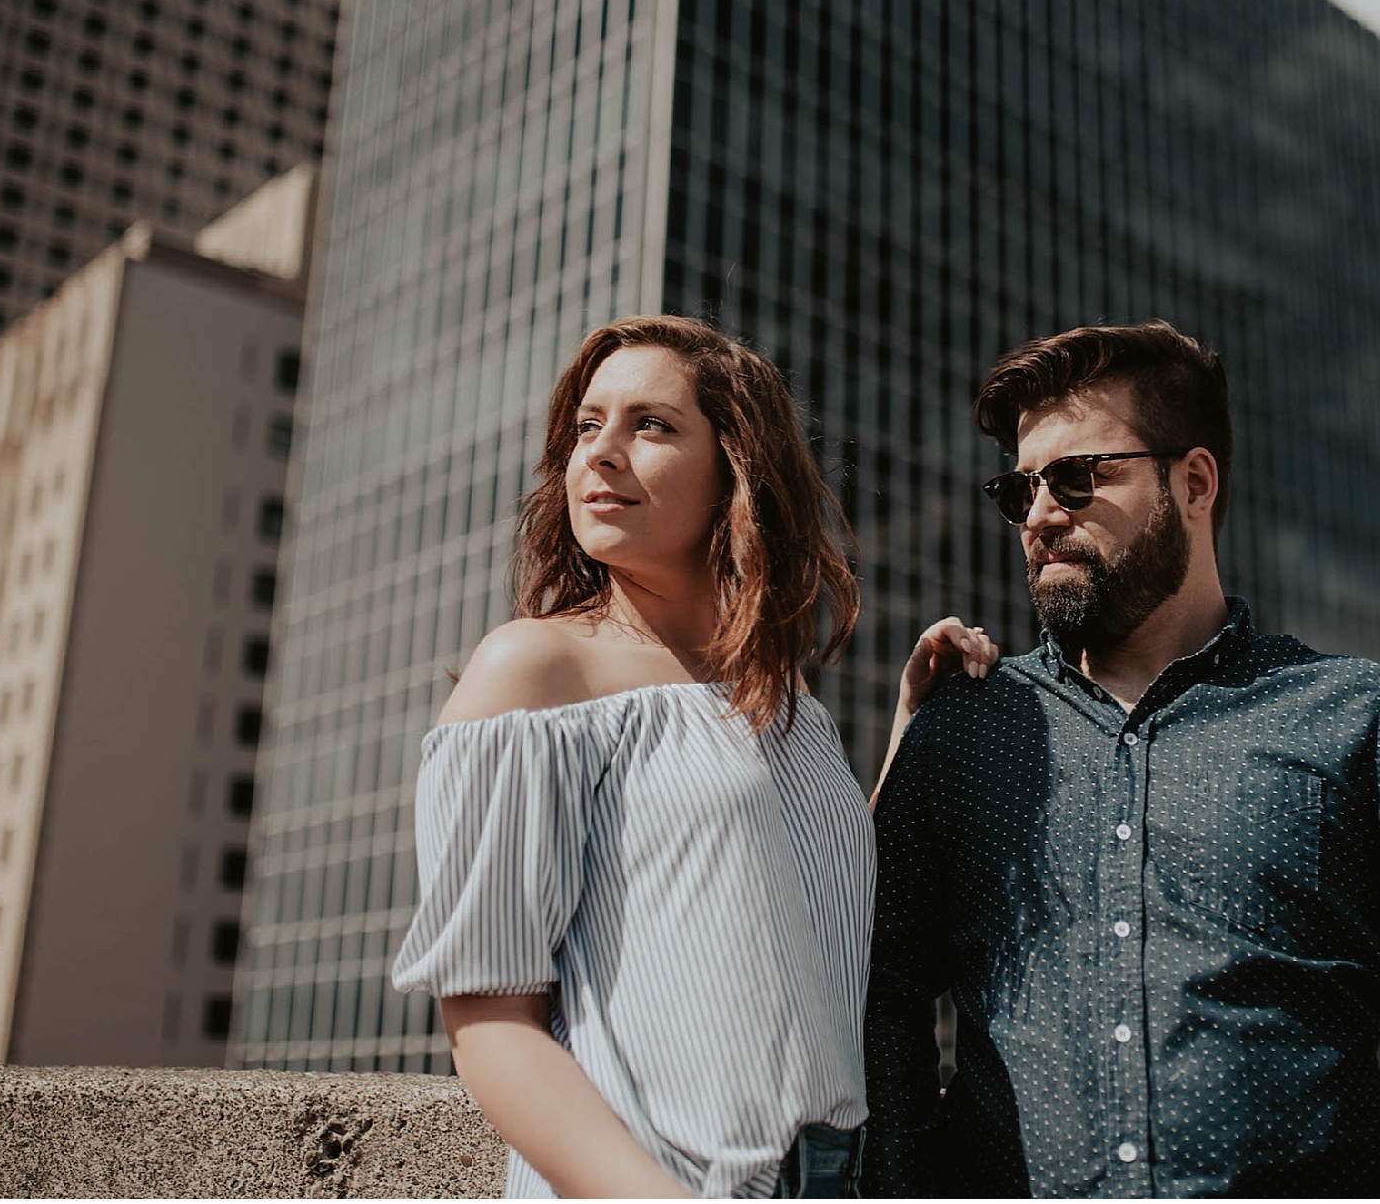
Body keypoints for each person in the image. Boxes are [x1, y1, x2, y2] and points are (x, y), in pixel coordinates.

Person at [863, 321, 1380, 1198]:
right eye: (1020, 489)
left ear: (1193, 482)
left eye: (1078, 478)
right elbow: (873, 989)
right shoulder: (964, 730)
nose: (1041, 516)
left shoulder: (1361, 718)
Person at [392, 315, 980, 1199]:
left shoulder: (784, 695)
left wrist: (911, 727)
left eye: (651, 425)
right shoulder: (535, 668)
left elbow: (802, 912)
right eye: (588, 426)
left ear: (736, 471)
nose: (602, 452)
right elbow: (490, 1020)